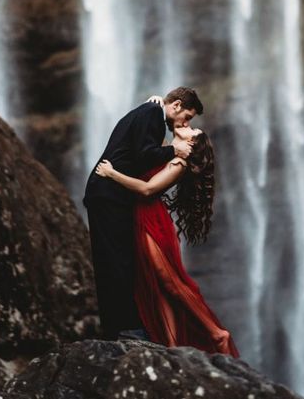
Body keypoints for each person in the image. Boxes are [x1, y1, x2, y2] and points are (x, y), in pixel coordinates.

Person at [95, 123, 240, 357]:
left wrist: (112, 174)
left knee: (169, 282)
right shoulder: (168, 152)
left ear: (192, 143)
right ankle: (172, 346)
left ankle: (216, 332)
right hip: (142, 217)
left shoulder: (179, 163)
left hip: (152, 220)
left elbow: (147, 189)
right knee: (161, 286)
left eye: (193, 130)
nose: (188, 125)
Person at [83, 87, 204, 340]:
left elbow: (142, 153)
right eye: (188, 117)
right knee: (117, 260)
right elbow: (145, 155)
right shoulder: (152, 114)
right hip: (109, 195)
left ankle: (121, 327)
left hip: (111, 194)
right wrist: (175, 151)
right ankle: (127, 328)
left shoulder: (151, 112)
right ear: (177, 105)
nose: (185, 123)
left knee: (116, 260)